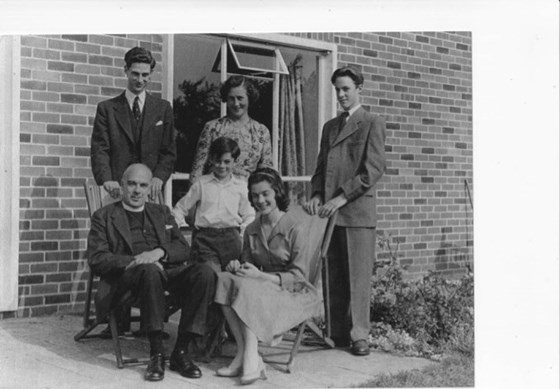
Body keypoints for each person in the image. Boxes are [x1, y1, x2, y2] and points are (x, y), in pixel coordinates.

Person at [87, 163, 216, 381]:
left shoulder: (162, 212)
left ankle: (180, 352)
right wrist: (138, 261)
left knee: (204, 272)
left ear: (149, 190)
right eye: (132, 184)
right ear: (122, 185)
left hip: (165, 272)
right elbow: (97, 258)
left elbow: (183, 248)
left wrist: (159, 252)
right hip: (127, 281)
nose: (137, 190)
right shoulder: (104, 216)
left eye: (143, 185)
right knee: (148, 271)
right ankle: (156, 353)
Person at [303, 67, 386, 357]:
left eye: (346, 89)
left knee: (358, 278)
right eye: (337, 89)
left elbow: (372, 170)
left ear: (359, 87)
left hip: (356, 213)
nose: (341, 95)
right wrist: (315, 193)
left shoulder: (371, 122)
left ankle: (359, 335)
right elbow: (320, 168)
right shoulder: (329, 127)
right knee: (334, 274)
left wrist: (340, 197)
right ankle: (336, 333)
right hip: (330, 213)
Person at [214, 168, 323, 385]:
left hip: (292, 292)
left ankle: (250, 359)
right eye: (255, 196)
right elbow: (249, 267)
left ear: (277, 193)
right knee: (225, 279)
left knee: (250, 289)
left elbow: (299, 277)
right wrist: (238, 267)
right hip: (262, 288)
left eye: (265, 194)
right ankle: (245, 353)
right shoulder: (252, 229)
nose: (260, 200)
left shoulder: (295, 227)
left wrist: (259, 277)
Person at [91, 46, 176, 200]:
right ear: (126, 70)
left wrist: (158, 177)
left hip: (150, 191)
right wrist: (107, 180)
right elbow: (100, 150)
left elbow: (168, 151)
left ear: (151, 75)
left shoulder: (163, 108)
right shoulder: (107, 109)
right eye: (135, 74)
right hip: (117, 190)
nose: (140, 80)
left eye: (145, 75)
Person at [172, 137, 255, 273]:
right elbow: (180, 209)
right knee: (210, 275)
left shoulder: (240, 186)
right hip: (205, 240)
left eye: (227, 162)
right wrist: (176, 231)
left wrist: (242, 233)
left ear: (235, 161)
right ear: (211, 160)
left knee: (232, 278)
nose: (222, 166)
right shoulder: (202, 184)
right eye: (218, 161)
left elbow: (249, 214)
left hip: (231, 239)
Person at [190, 75, 273, 183]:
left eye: (240, 98)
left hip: (247, 194)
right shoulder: (213, 128)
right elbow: (197, 170)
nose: (236, 104)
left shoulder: (261, 131)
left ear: (249, 98)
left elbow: (266, 172)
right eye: (231, 98)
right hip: (215, 193)